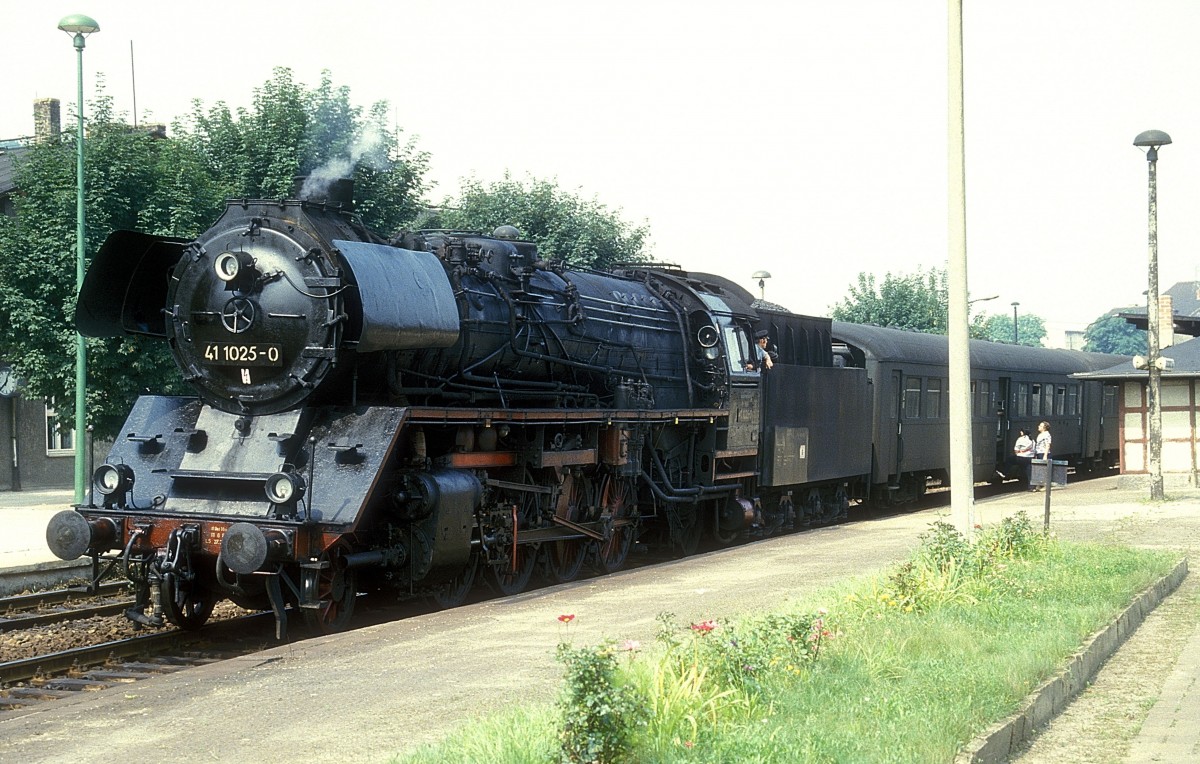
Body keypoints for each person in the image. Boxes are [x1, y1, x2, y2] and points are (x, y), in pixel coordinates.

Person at [1032, 421, 1052, 491]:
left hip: (1043, 453)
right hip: (1039, 453)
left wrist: (1045, 455)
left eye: (1040, 426)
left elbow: (1048, 445)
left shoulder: (1047, 435)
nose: (1038, 426)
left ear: (1044, 428)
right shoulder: (1040, 434)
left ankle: (1045, 485)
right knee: (1039, 469)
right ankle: (1039, 485)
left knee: (1044, 470)